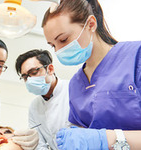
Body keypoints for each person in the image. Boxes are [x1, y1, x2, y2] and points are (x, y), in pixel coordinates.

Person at [42, 0, 141, 149]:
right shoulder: (75, 84)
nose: (58, 51)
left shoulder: (136, 56)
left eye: (63, 40)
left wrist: (107, 139)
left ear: (91, 24)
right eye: (53, 45)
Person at [15, 49, 71, 149]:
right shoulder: (34, 106)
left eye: (33, 72)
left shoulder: (72, 90)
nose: (30, 80)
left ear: (50, 69)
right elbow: (38, 143)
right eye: (25, 77)